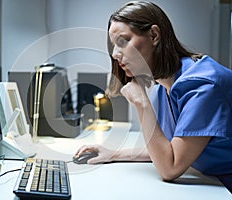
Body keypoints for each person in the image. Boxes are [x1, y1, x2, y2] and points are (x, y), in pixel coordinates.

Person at [75, 1, 232, 193]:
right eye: (113, 45)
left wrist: (141, 104)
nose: (115, 54)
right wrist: (112, 154)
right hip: (213, 183)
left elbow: (170, 168)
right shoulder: (162, 87)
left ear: (154, 35)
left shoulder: (202, 86)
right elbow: (166, 149)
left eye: (123, 41)